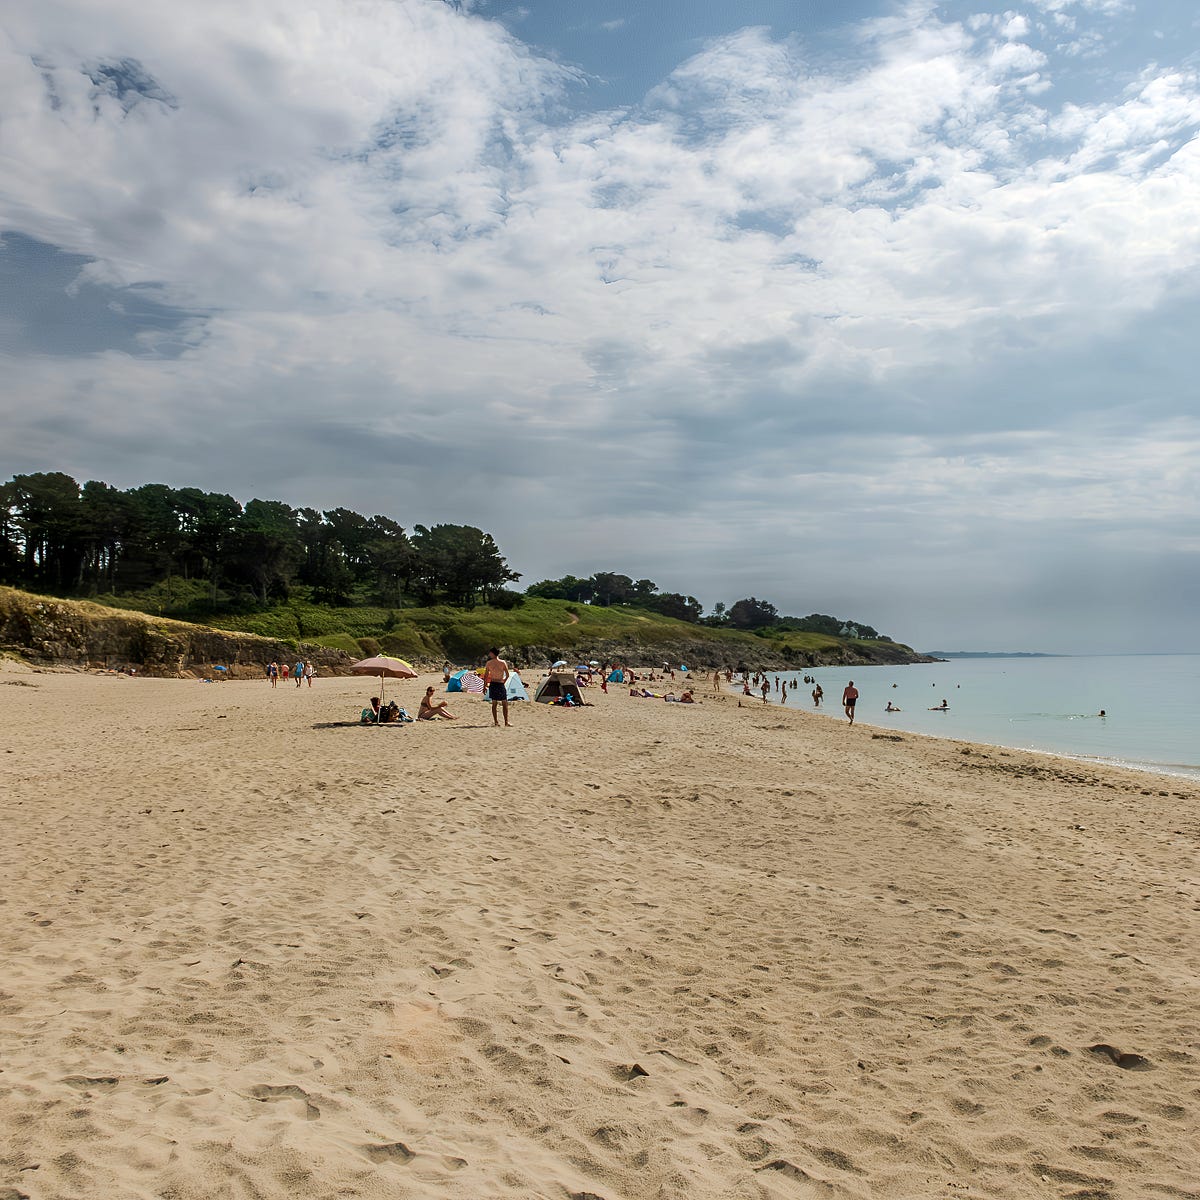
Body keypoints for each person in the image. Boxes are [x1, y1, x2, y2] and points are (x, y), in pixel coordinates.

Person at [484, 647, 512, 727]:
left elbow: (486, 676)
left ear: (493, 653)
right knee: (504, 703)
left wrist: (484, 685)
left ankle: (496, 722)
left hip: (493, 683)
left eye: (490, 653)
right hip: (500, 683)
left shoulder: (489, 663)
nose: (489, 654)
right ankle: (506, 722)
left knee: (494, 704)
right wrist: (504, 681)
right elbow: (507, 675)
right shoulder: (503, 662)